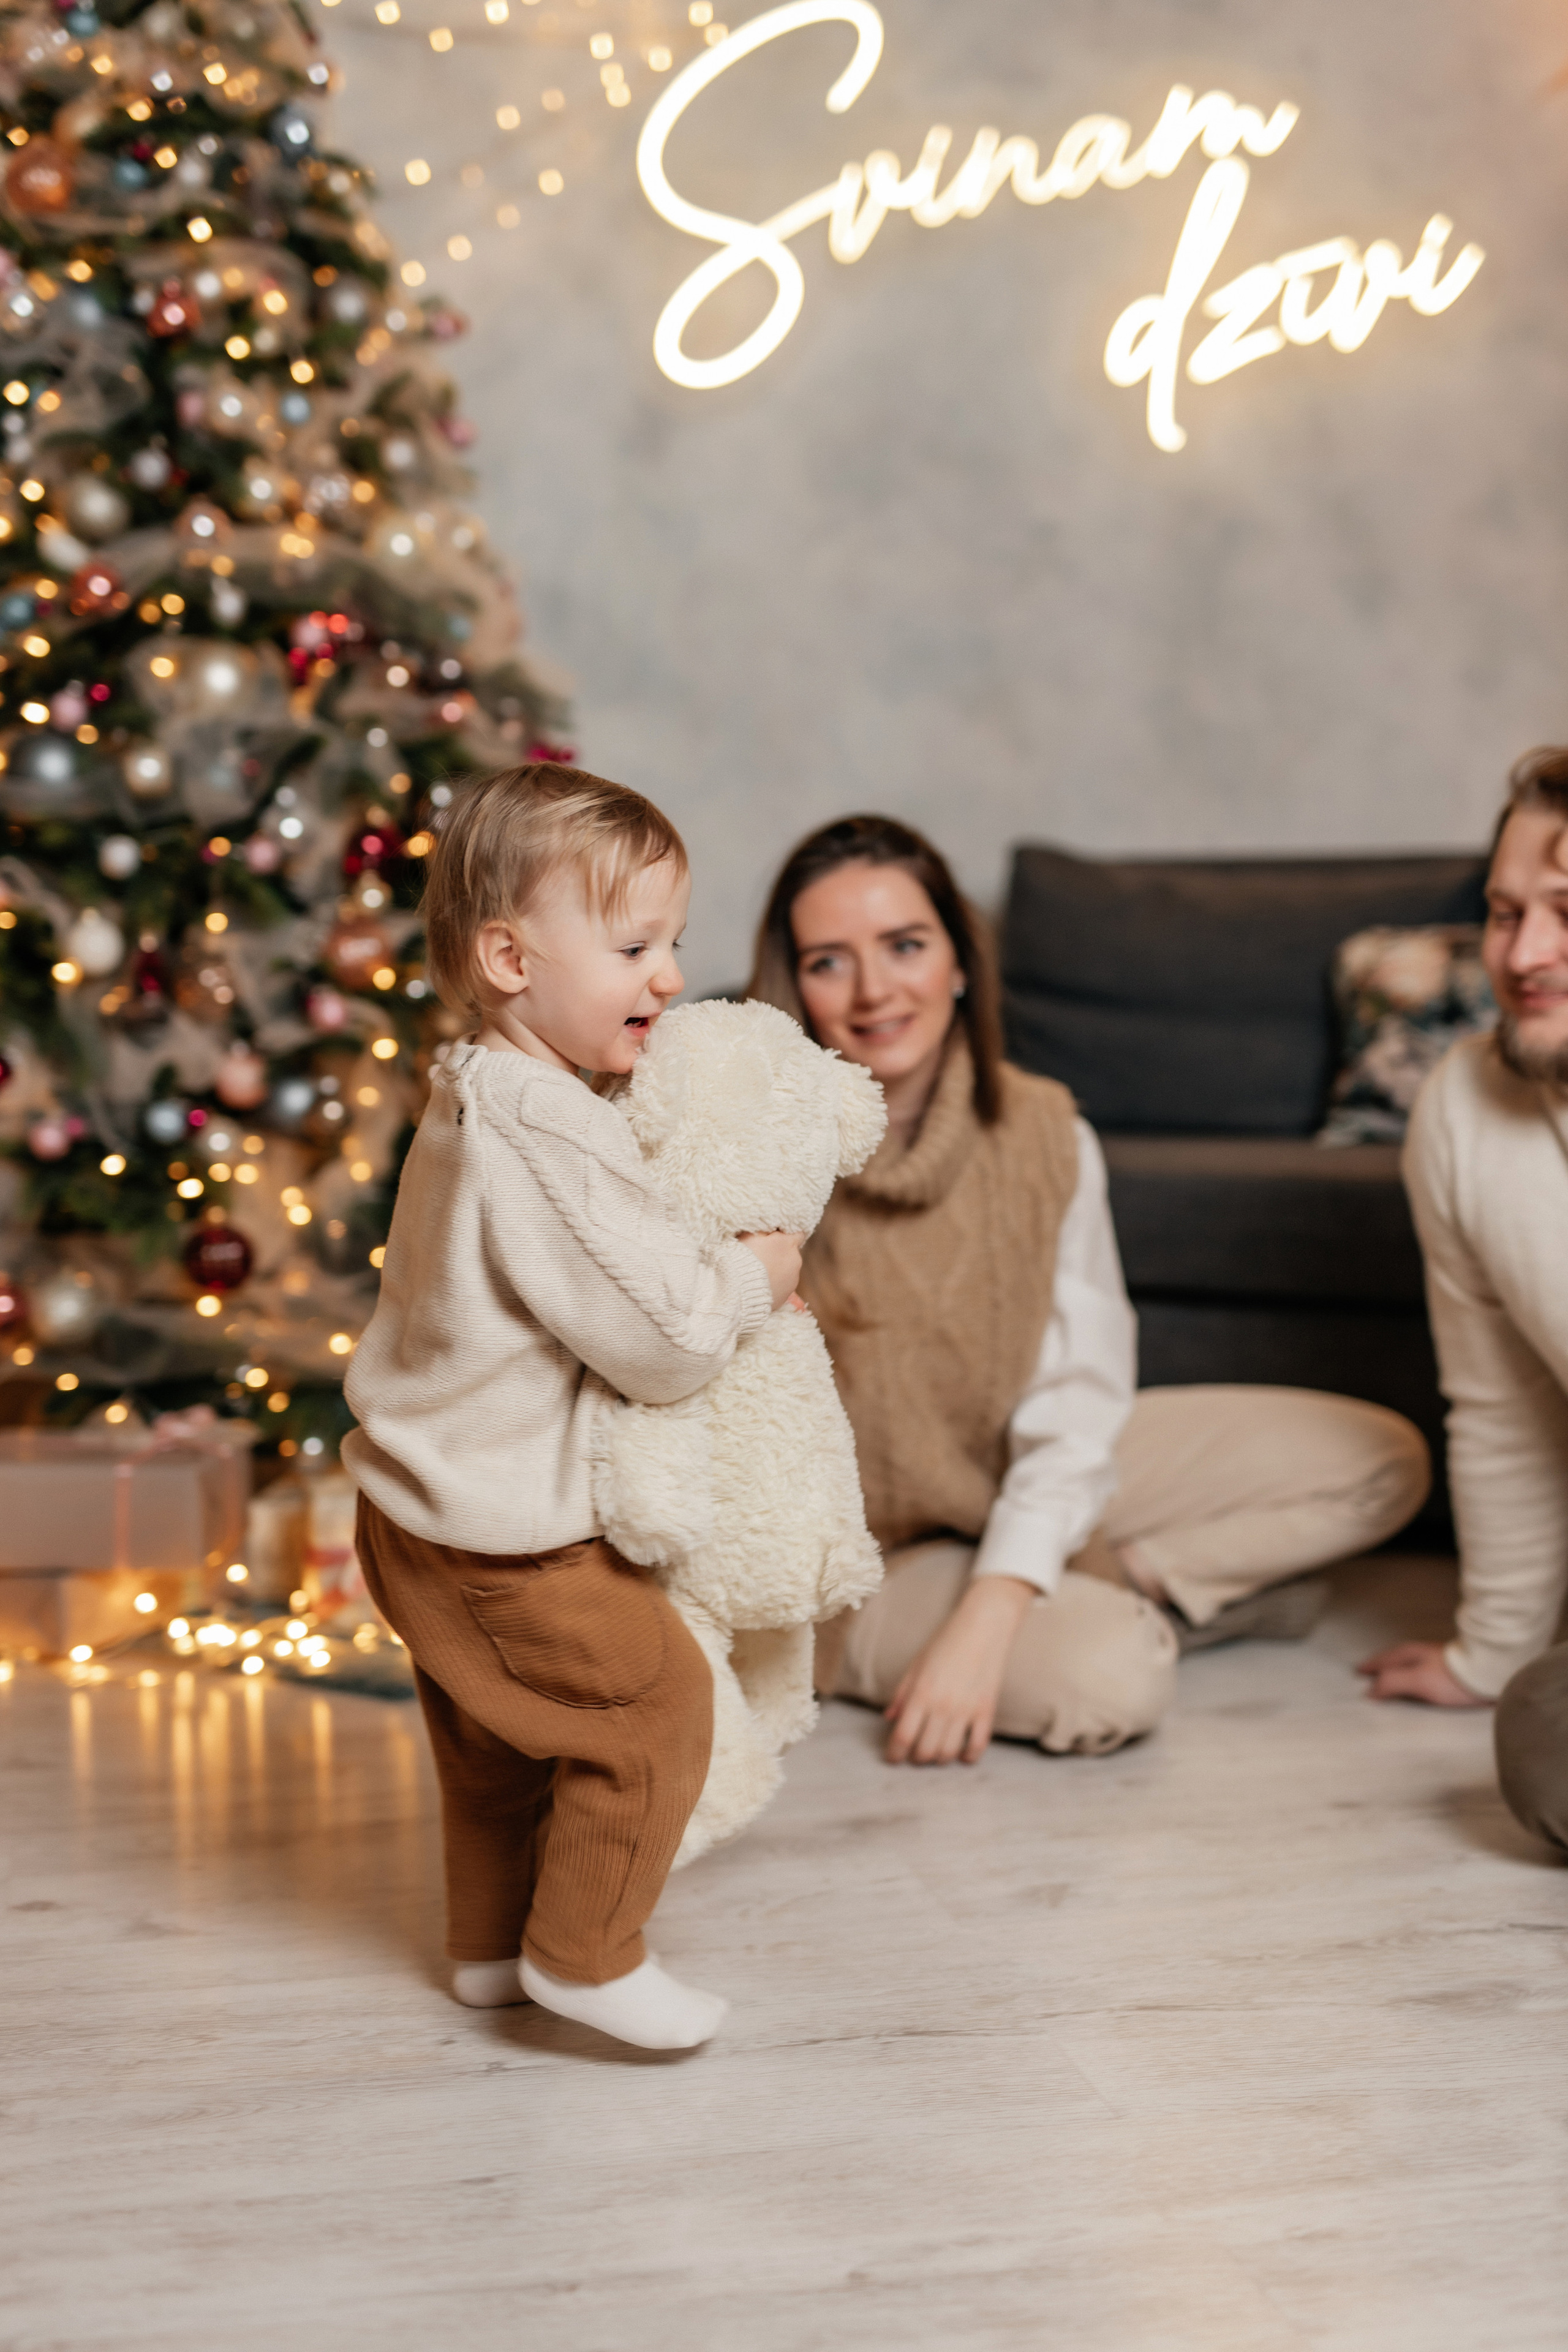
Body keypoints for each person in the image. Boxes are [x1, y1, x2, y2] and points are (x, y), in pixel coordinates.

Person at [748, 815, 1431, 1767]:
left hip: (1001, 1471)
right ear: (794, 985)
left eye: (905, 945)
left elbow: (1077, 1400)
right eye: (830, 961)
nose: (875, 990)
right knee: (1114, 1679)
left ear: (959, 960)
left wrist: (993, 1608)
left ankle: (1124, 1579)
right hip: (862, 1555)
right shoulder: (750, 1151)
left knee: (1384, 1460)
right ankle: (1105, 1603)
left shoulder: (1046, 1132)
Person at [342, 764, 803, 2047]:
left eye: (673, 943)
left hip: (418, 1509)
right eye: (634, 947)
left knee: (496, 1751)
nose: (670, 976)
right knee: (655, 1707)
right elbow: (662, 1340)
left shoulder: (479, 1091)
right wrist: (752, 1277)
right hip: (502, 1539)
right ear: (509, 960)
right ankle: (587, 1959)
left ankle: (490, 1951)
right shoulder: (543, 1131)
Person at [1358, 749, 1568, 1852]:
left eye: (1567, 912)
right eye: (1505, 912)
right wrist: (1491, 1654)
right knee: (1546, 1742)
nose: (1525, 956)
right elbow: (1504, 1408)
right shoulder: (1460, 1111)